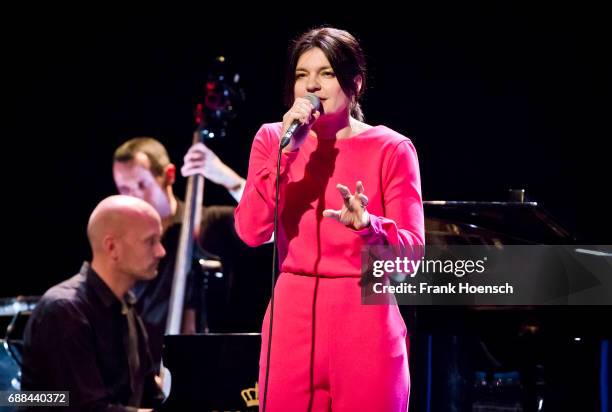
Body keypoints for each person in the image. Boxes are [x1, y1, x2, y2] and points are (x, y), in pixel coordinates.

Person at [234, 27, 425, 411]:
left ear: (355, 82)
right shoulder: (274, 139)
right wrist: (287, 155)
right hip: (292, 316)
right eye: (302, 76)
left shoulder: (391, 148)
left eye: (326, 74)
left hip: (364, 316)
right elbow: (251, 231)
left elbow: (411, 258)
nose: (312, 86)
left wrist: (369, 226)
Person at [21, 195, 166, 411]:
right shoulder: (64, 310)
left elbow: (149, 397)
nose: (161, 251)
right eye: (150, 241)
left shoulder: (126, 309)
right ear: (112, 247)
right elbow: (84, 408)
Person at [112, 136, 246, 368]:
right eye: (124, 189)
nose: (133, 197)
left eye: (142, 185)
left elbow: (270, 223)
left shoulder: (206, 223)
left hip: (205, 370)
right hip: (140, 379)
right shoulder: (122, 240)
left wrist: (227, 178)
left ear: (169, 175)